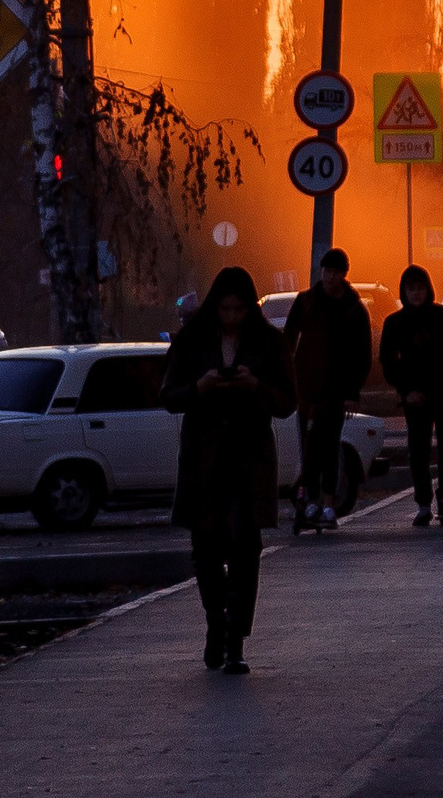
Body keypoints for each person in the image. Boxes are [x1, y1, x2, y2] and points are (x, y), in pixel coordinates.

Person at [162, 266, 295, 675]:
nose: (232, 316)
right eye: (225, 308)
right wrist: (199, 388)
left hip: (249, 458)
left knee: (245, 548)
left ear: (250, 307)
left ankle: (235, 640)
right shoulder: (191, 340)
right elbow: (169, 396)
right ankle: (216, 624)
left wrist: (254, 385)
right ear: (214, 306)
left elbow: (286, 402)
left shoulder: (269, 342)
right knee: (205, 548)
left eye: (239, 309)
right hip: (204, 459)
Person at [282, 246, 372, 532]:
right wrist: (287, 378)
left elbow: (363, 354)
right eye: (326, 271)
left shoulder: (353, 308)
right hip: (306, 388)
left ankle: (329, 503)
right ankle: (310, 499)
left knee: (330, 445)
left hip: (337, 391)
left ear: (344, 274)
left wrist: (353, 393)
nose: (329, 277)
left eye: (335, 272)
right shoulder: (306, 301)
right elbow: (288, 341)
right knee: (309, 447)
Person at [379, 264, 443, 527]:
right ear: (404, 291)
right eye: (411, 288)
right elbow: (388, 361)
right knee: (418, 451)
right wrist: (406, 390)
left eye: (420, 288)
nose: (416, 293)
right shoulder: (395, 323)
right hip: (414, 397)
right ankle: (424, 502)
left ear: (428, 289)